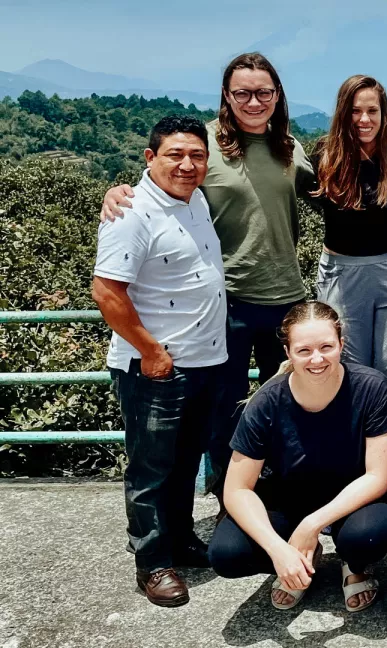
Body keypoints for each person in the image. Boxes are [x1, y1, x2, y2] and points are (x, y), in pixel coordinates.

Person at [100, 53, 315, 498]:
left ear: (277, 96)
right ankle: (229, 502)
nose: (254, 101)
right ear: (226, 96)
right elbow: (162, 181)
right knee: (226, 414)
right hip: (226, 303)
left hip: (287, 299)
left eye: (264, 92)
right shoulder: (206, 146)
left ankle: (286, 495)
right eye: (243, 92)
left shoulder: (290, 147)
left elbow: (333, 196)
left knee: (292, 405)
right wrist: (115, 191)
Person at [92, 115, 227, 607]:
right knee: (150, 468)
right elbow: (106, 291)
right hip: (156, 367)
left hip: (204, 361)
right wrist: (151, 351)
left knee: (185, 458)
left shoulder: (196, 201)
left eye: (196, 155)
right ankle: (152, 563)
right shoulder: (132, 212)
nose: (187, 165)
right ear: (150, 158)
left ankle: (181, 539)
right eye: (175, 155)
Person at [207, 302, 387, 612]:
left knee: (368, 536)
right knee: (227, 554)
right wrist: (276, 549)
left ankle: (354, 564)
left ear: (341, 344)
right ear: (288, 352)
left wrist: (311, 525)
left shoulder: (371, 387)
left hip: (352, 496)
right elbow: (237, 489)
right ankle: (299, 560)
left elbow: (378, 476)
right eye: (304, 350)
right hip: (288, 496)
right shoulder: (267, 401)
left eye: (326, 347)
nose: (317, 359)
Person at [302, 75, 387, 384]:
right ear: (342, 112)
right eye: (355, 111)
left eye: (372, 111)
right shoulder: (323, 155)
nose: (364, 119)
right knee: (348, 370)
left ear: (384, 114)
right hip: (342, 272)